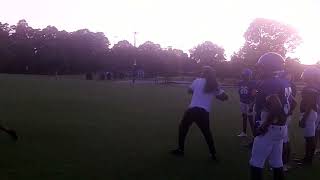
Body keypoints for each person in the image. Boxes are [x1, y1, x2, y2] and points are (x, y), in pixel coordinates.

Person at [171, 66, 228, 161]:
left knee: (183, 128)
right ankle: (213, 154)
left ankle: (180, 150)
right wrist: (216, 95)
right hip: (203, 112)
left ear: (203, 73)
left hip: (192, 110)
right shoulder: (214, 84)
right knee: (207, 133)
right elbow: (225, 97)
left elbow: (189, 91)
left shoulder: (197, 81)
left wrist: (197, 91)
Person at [250, 52, 291, 180]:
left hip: (270, 128)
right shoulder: (283, 82)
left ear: (269, 67)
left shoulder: (268, 83)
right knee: (277, 163)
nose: (259, 69)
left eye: (261, 66)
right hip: (279, 129)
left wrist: (264, 126)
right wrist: (282, 119)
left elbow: (275, 105)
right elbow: (293, 102)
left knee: (255, 164)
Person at [296, 67, 320, 166]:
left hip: (310, 114)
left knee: (310, 138)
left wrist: (304, 118)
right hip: (313, 113)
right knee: (311, 137)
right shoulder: (315, 86)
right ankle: (307, 158)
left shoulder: (311, 87)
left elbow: (310, 103)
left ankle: (308, 160)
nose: (304, 76)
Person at [280, 71, 297, 171]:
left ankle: (284, 163)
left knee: (284, 139)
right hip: (285, 114)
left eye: (289, 76)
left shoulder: (288, 86)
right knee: (284, 137)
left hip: (284, 115)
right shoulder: (287, 85)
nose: (289, 78)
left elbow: (292, 101)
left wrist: (287, 113)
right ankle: (284, 160)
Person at [238, 68, 256, 137]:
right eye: (244, 75)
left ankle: (254, 135)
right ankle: (244, 132)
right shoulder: (240, 83)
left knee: (251, 119)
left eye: (246, 75)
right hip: (242, 102)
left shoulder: (252, 83)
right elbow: (240, 92)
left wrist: (252, 104)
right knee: (244, 117)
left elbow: (254, 95)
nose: (245, 76)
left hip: (249, 103)